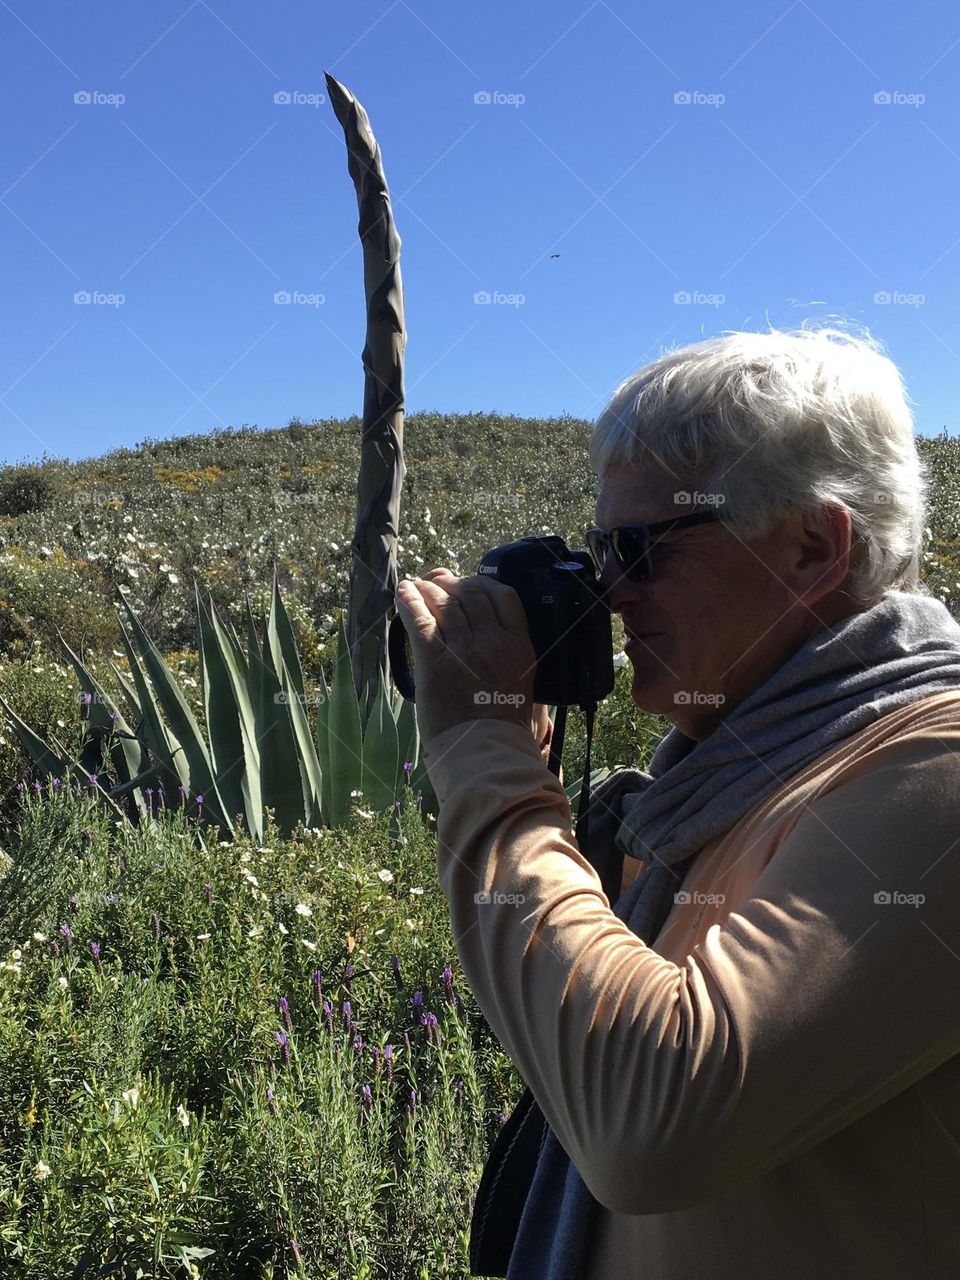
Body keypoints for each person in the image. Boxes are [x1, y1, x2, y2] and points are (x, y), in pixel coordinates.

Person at [393, 326, 960, 1279]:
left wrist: (484, 759)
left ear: (813, 547)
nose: (609, 591)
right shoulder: (721, 787)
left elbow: (648, 1118)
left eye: (641, 550)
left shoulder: (934, 765)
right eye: (600, 548)